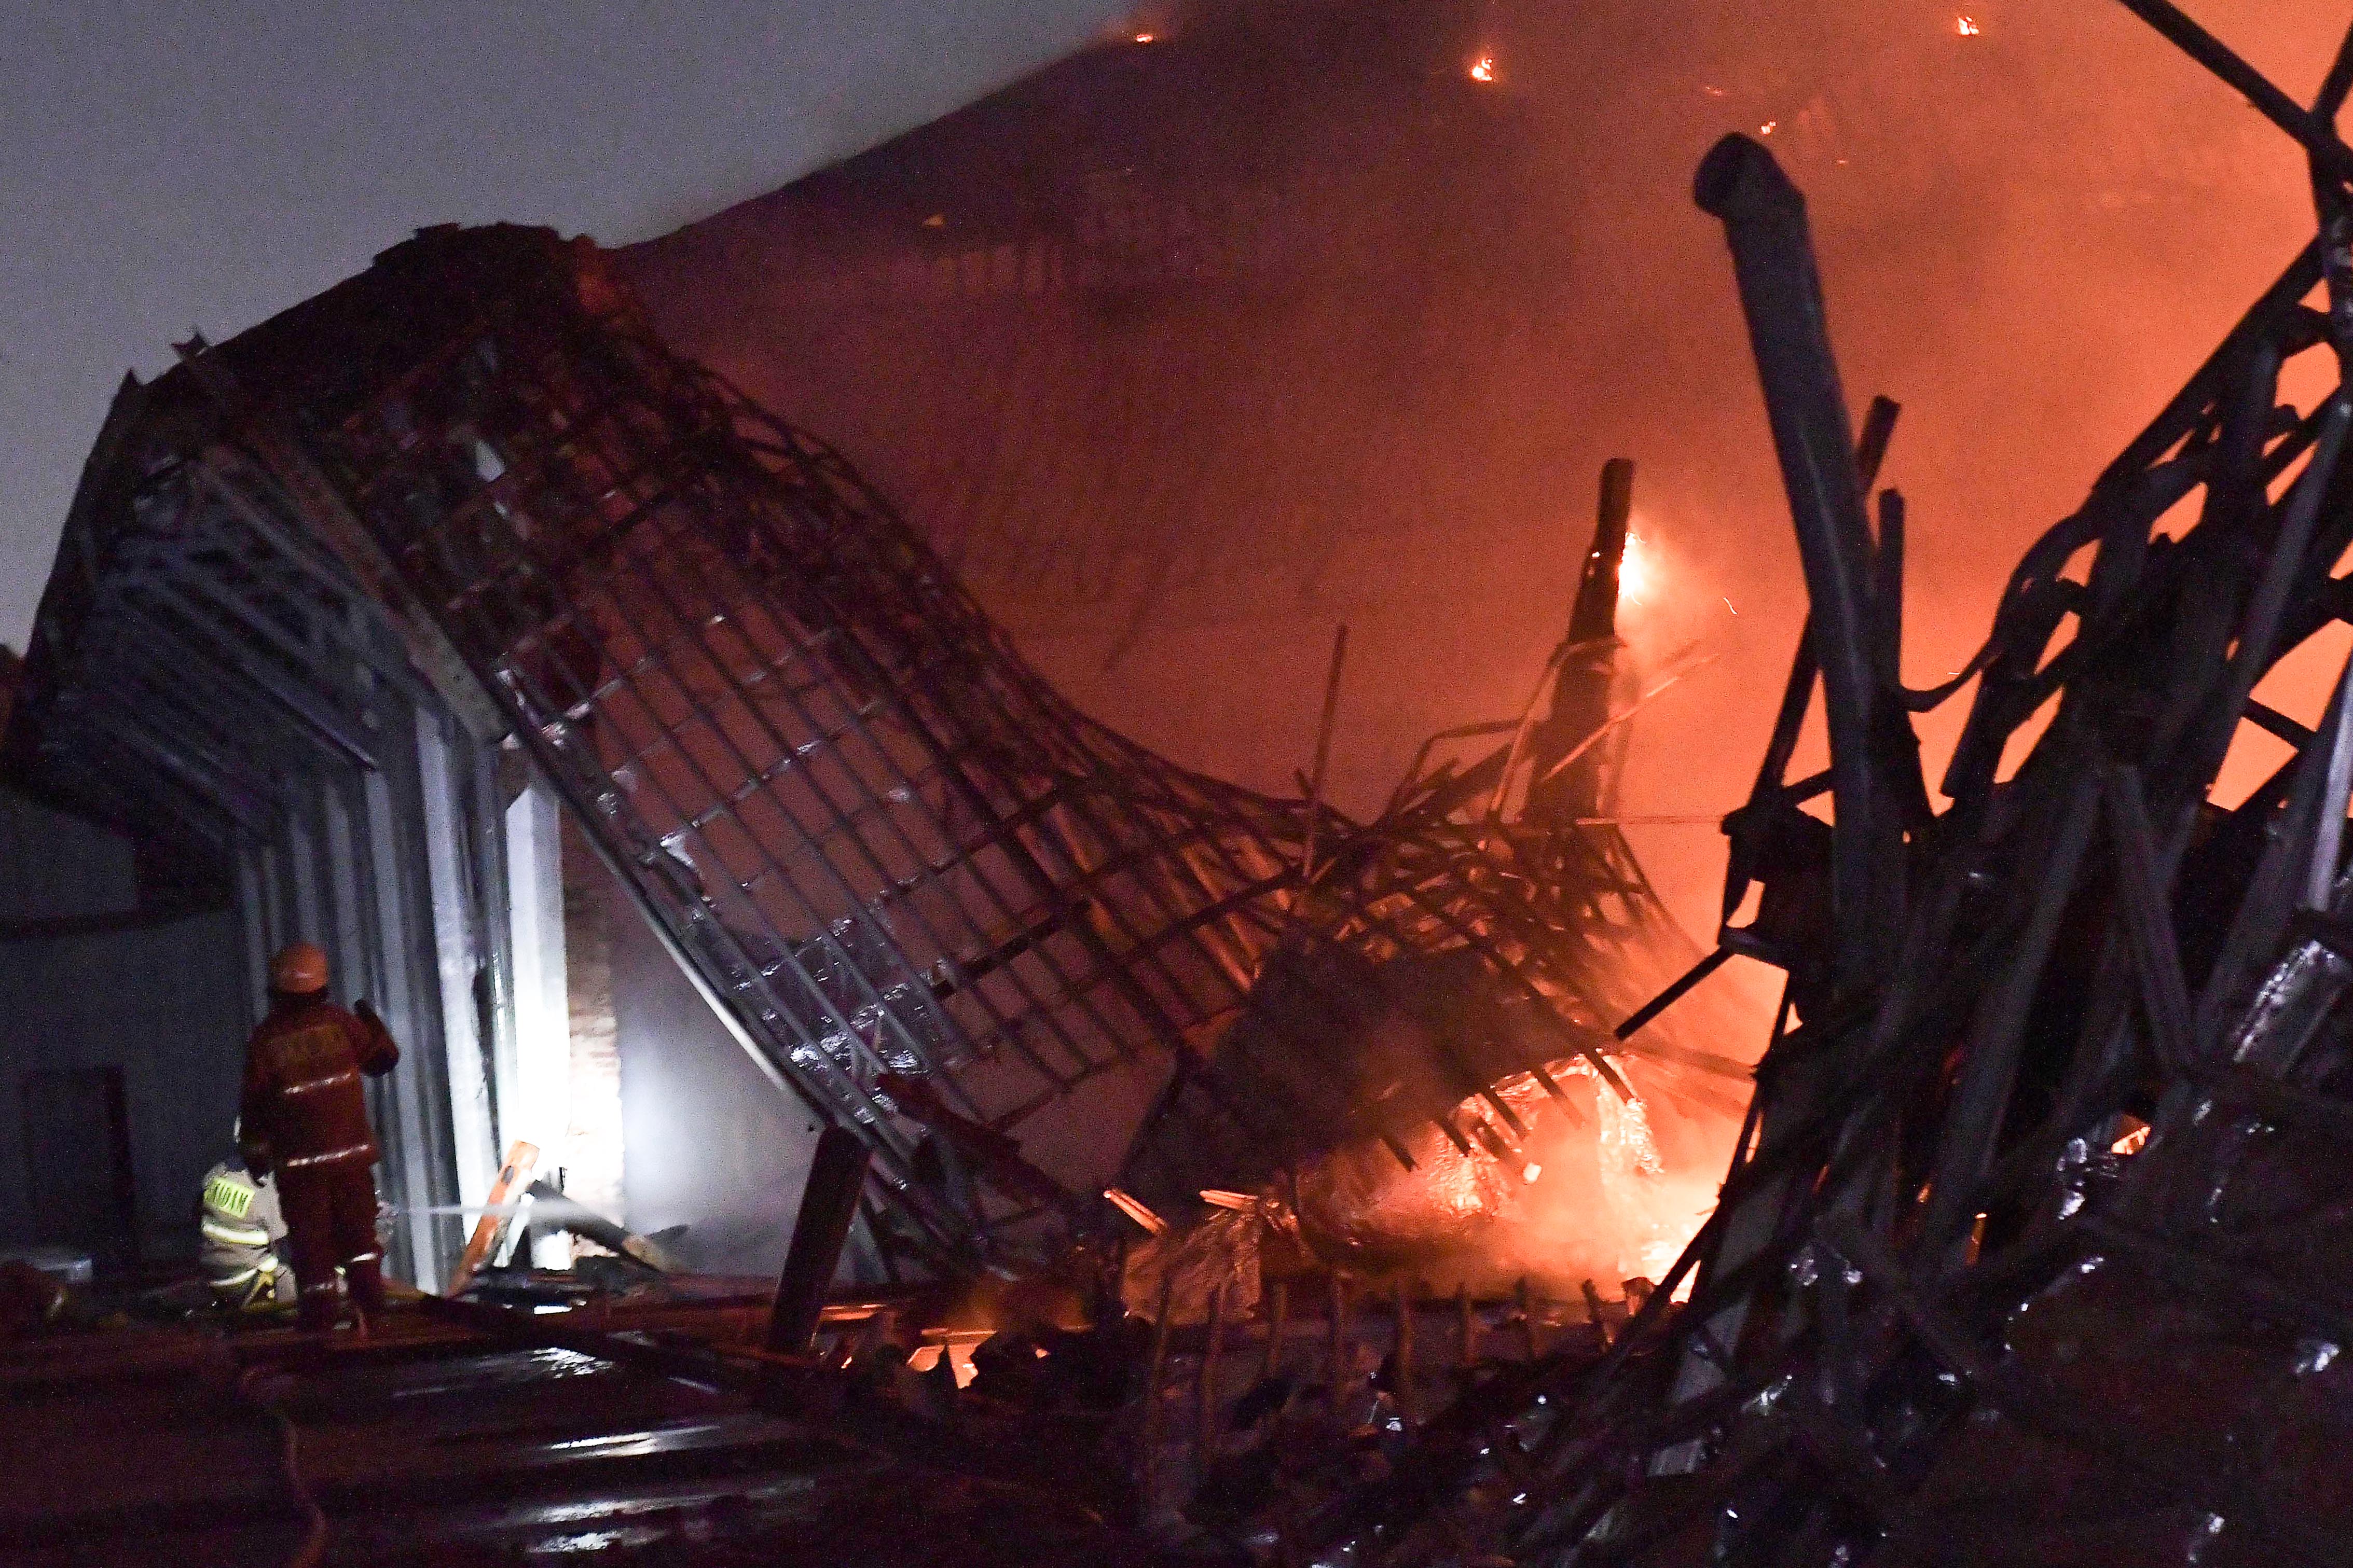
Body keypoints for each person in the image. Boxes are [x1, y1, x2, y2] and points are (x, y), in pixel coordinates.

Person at [238, 941, 400, 1332]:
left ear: (276, 988)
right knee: (361, 1246)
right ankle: (374, 1321)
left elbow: (254, 1105)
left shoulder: (266, 1039)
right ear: (322, 983)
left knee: (313, 1254)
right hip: (351, 1166)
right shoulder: (340, 1023)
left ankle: (320, 1330)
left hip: (302, 1175)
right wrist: (372, 1022)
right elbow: (384, 1060)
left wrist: (255, 1154)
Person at [198, 1152, 295, 1312]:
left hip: (215, 1281)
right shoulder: (268, 1188)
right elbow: (288, 1247)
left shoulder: (218, 1172)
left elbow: (197, 1211)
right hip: (254, 1284)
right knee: (322, 1285)